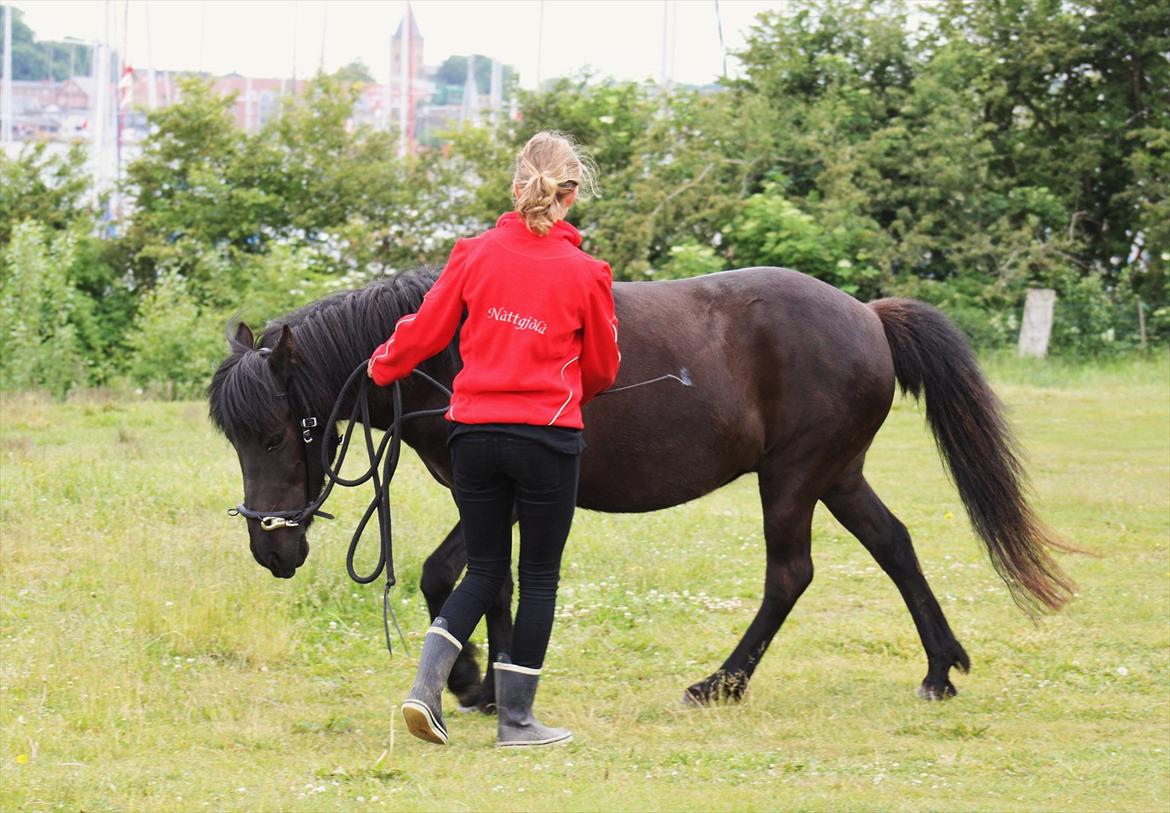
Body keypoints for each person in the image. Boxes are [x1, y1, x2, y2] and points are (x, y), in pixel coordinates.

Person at [367, 132, 621, 747]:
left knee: (482, 569)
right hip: (547, 440)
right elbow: (605, 368)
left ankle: (425, 689)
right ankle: (517, 723)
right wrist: (568, 395)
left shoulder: (472, 254)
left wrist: (381, 366)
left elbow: (425, 331)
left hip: (474, 436)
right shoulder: (589, 273)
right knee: (537, 576)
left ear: (516, 187)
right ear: (571, 193)